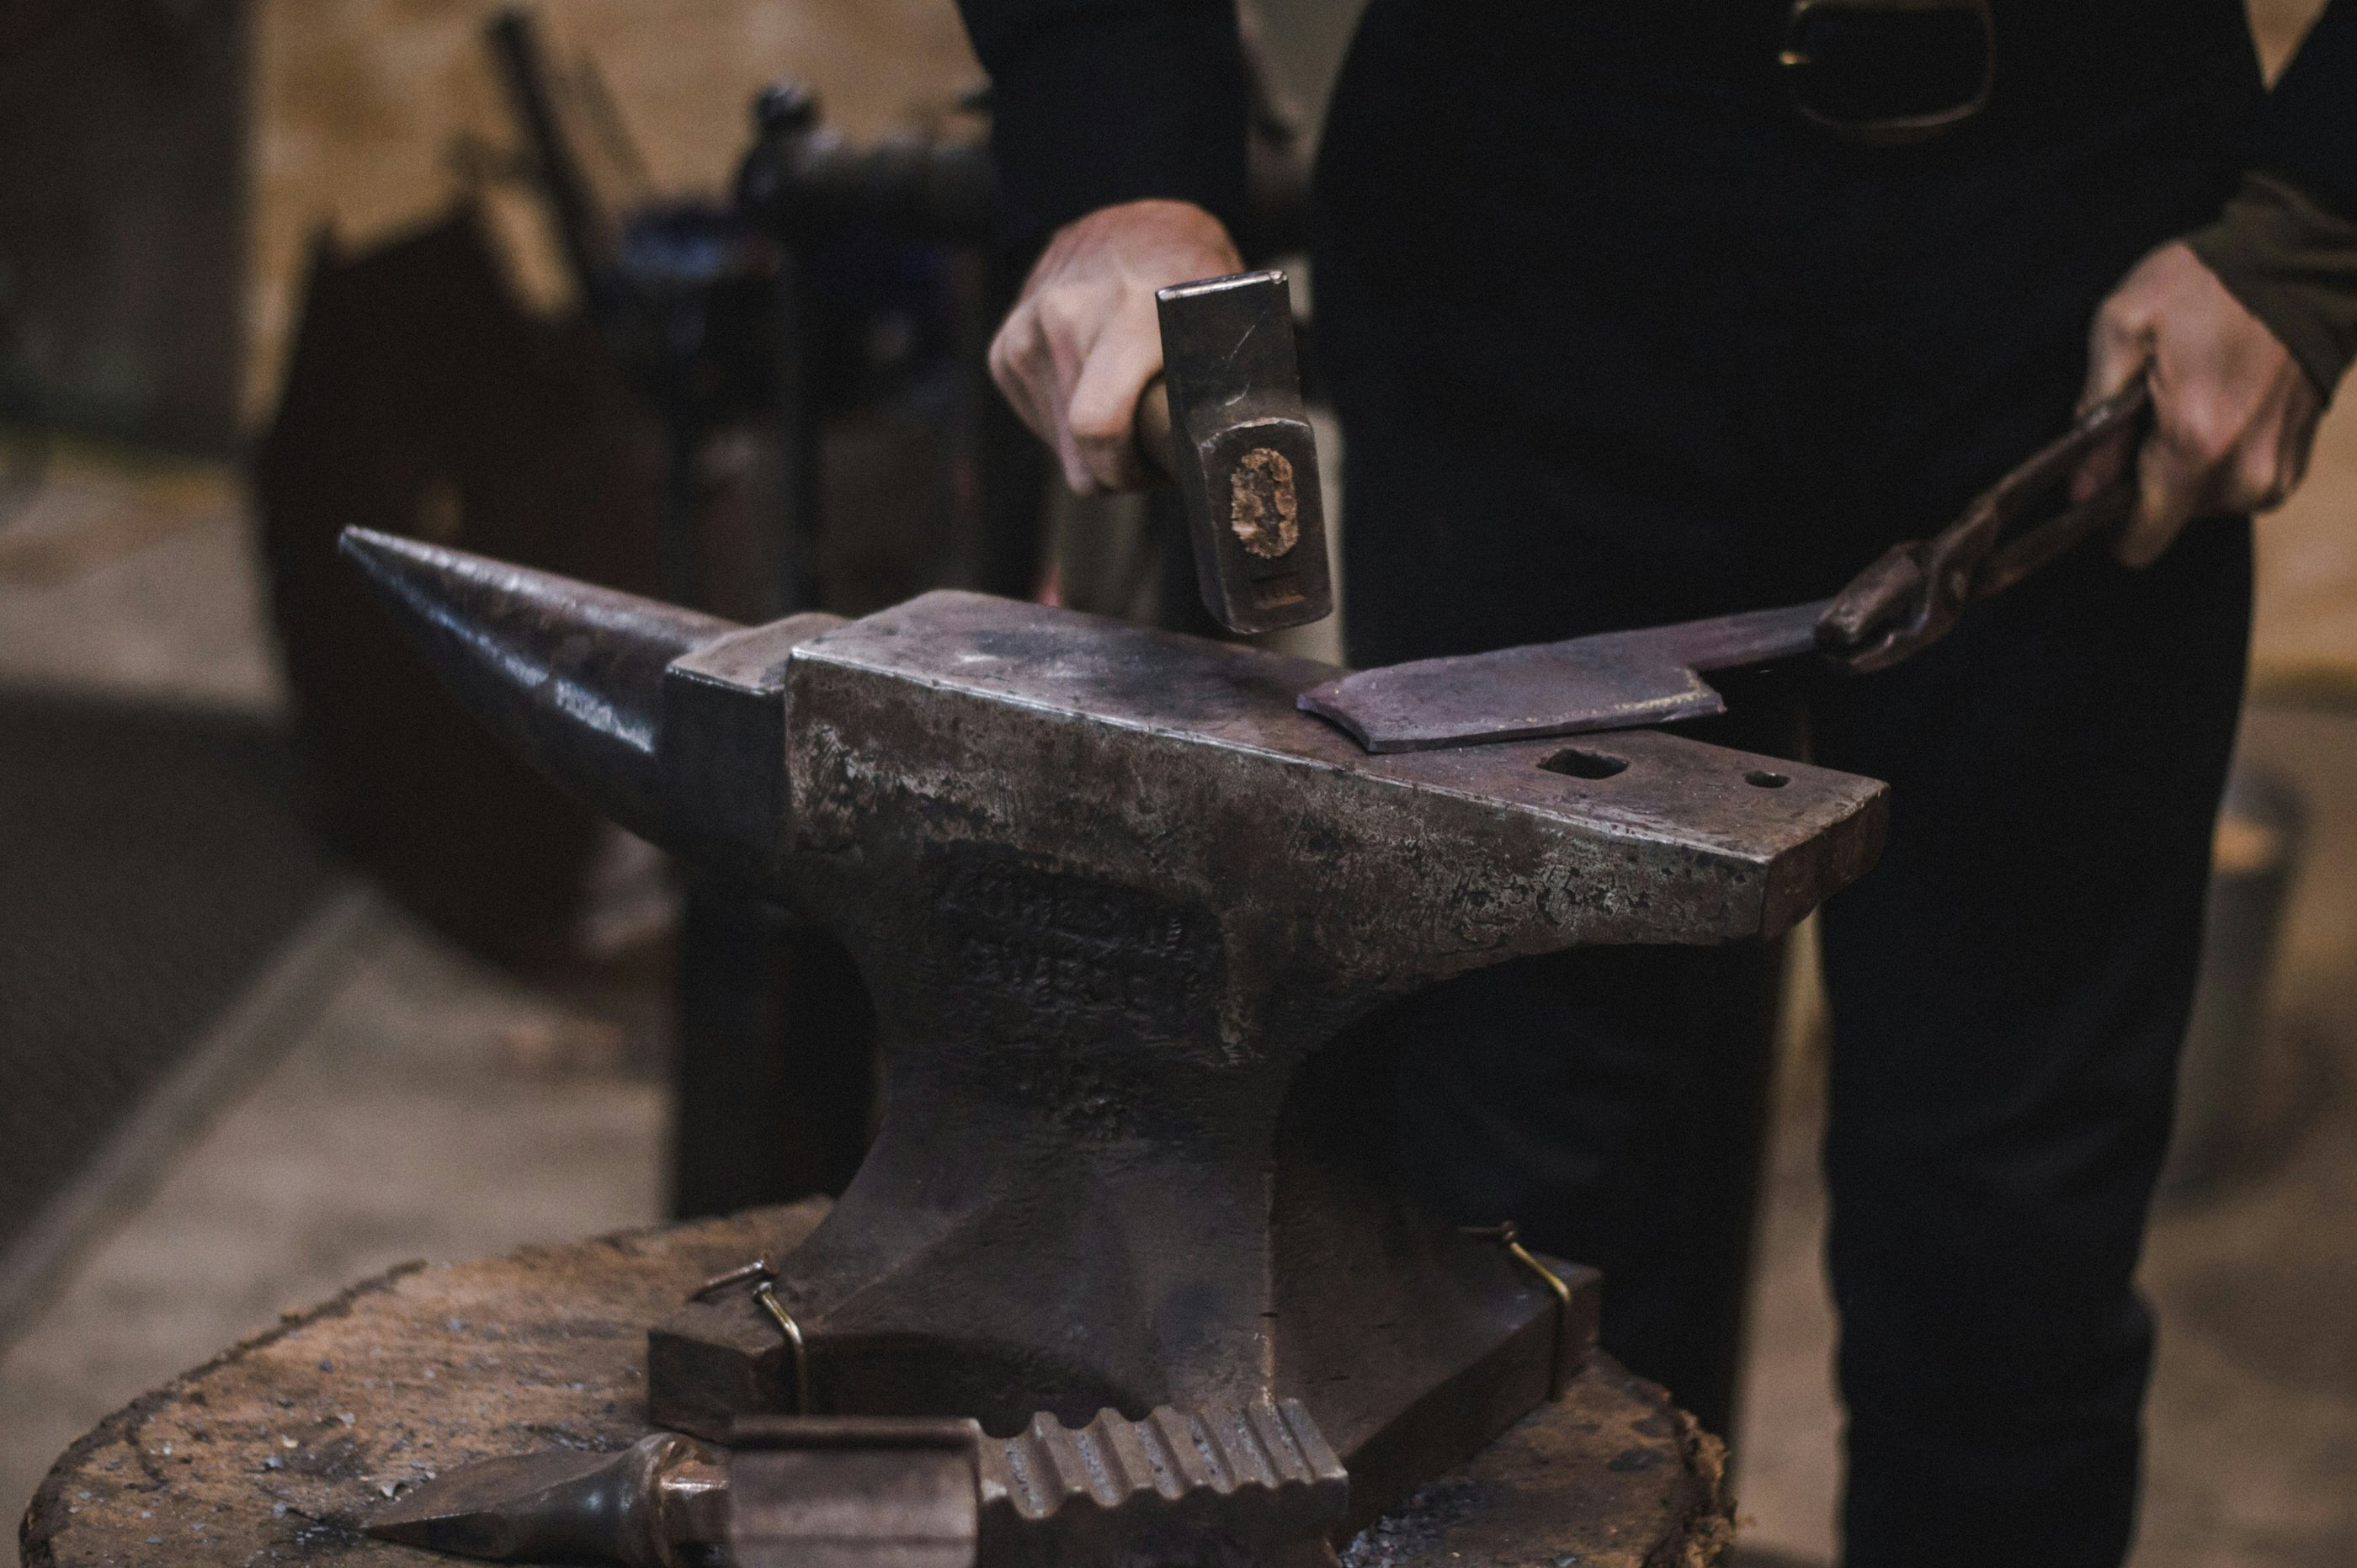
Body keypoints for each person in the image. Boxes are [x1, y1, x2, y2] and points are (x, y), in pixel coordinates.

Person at [950, 2, 2357, 1561]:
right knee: (1526, 1247)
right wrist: (1126, 161)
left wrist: (2314, 218)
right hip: (1530, 253)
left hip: (2072, 262)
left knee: (2007, 1256)